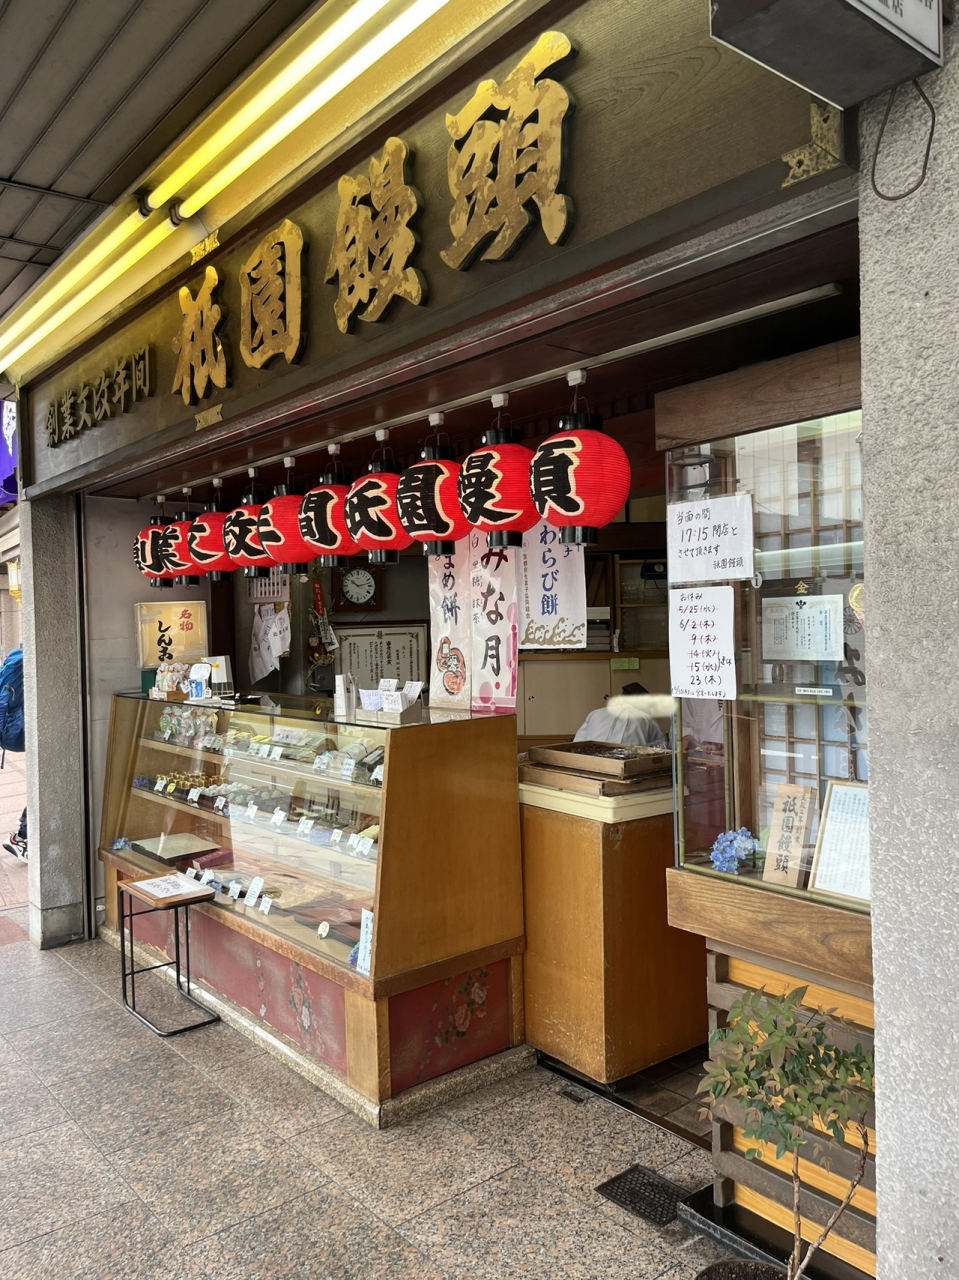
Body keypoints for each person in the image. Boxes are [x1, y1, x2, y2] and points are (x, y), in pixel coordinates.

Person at [573, 681, 668, 748]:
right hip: (629, 765)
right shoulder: (648, 720)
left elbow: (577, 744)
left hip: (590, 764)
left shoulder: (595, 713)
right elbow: (662, 750)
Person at [0, 647, 26, 861]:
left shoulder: (17, 657)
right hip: (24, 727)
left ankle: (23, 831)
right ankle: (22, 837)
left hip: (17, 727)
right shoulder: (28, 661)